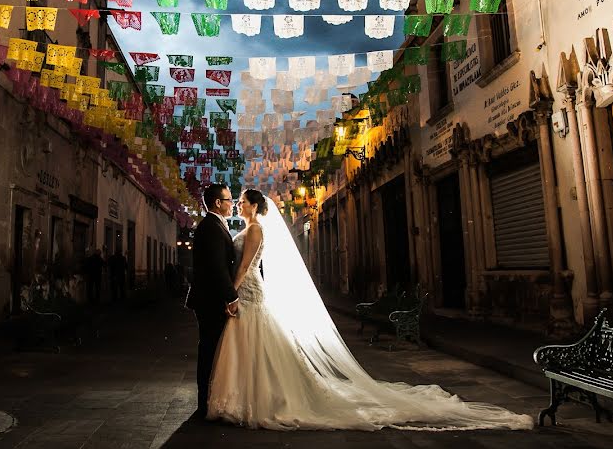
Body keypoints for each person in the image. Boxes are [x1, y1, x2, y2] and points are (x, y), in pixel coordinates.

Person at [205, 188, 533, 432]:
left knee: (256, 345)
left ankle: (255, 398)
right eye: (236, 202)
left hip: (248, 292)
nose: (238, 205)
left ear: (254, 205)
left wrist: (230, 294)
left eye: (242, 202)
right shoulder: (250, 228)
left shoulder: (257, 229)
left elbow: (247, 265)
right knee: (255, 347)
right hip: (248, 294)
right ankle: (251, 396)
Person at [184, 183, 238, 420]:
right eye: (229, 200)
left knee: (211, 350)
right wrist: (232, 296)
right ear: (218, 202)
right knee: (209, 350)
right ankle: (205, 404)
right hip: (210, 301)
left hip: (209, 299)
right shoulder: (211, 227)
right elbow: (218, 268)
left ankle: (208, 400)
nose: (232, 204)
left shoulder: (214, 225)